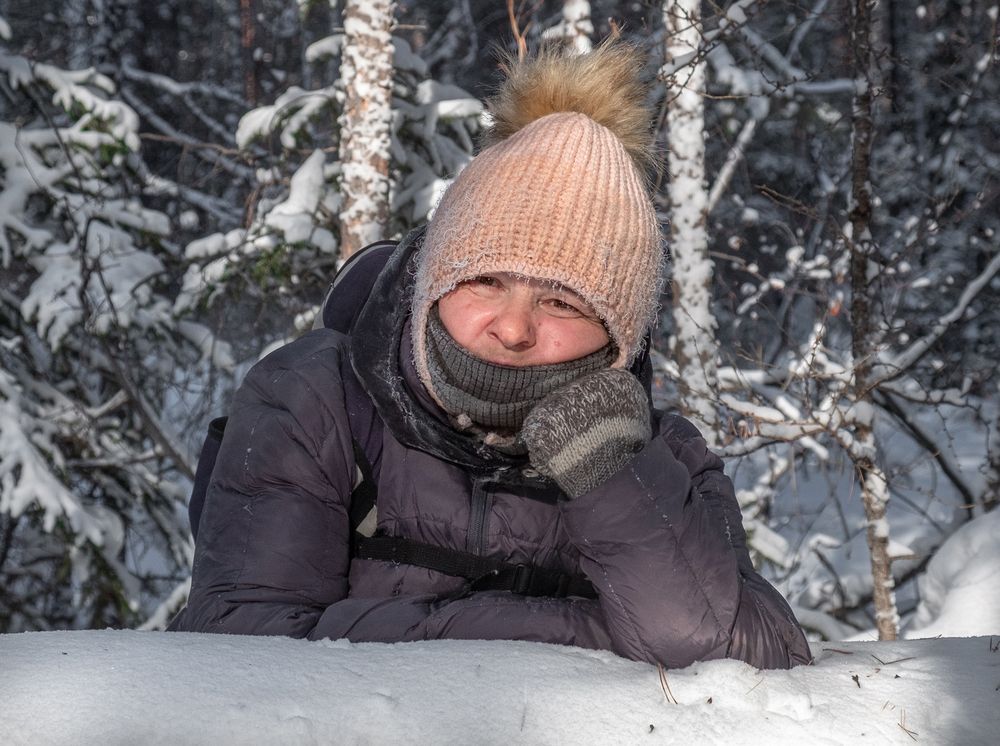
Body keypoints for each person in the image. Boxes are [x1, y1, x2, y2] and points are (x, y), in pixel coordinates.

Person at [170, 41, 811, 670]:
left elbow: (754, 658)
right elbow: (245, 654)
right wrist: (601, 642)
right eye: (484, 281)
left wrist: (611, 473)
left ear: (619, 334)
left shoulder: (662, 455)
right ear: (433, 285)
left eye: (562, 302)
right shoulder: (314, 403)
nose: (513, 328)